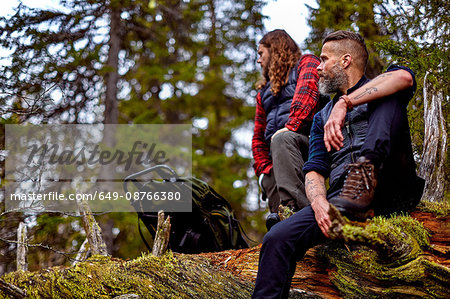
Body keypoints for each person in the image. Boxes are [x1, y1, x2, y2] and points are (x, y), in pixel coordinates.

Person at [252, 30, 424, 298]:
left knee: (388, 96)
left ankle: (365, 173)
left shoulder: (383, 85)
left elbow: (403, 78)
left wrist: (346, 103)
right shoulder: (322, 115)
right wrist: (319, 203)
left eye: (323, 59)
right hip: (343, 200)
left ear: (345, 61)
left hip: (391, 186)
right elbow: (315, 168)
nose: (318, 67)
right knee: (276, 239)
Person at [251, 29, 323, 229]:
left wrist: (289, 128)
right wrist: (263, 170)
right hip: (280, 153)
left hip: (310, 144)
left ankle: (299, 214)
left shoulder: (306, 64)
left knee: (281, 140)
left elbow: (308, 98)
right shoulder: (263, 92)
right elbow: (257, 136)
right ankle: (284, 227)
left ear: (275, 51)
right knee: (272, 166)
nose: (258, 60)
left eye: (261, 54)